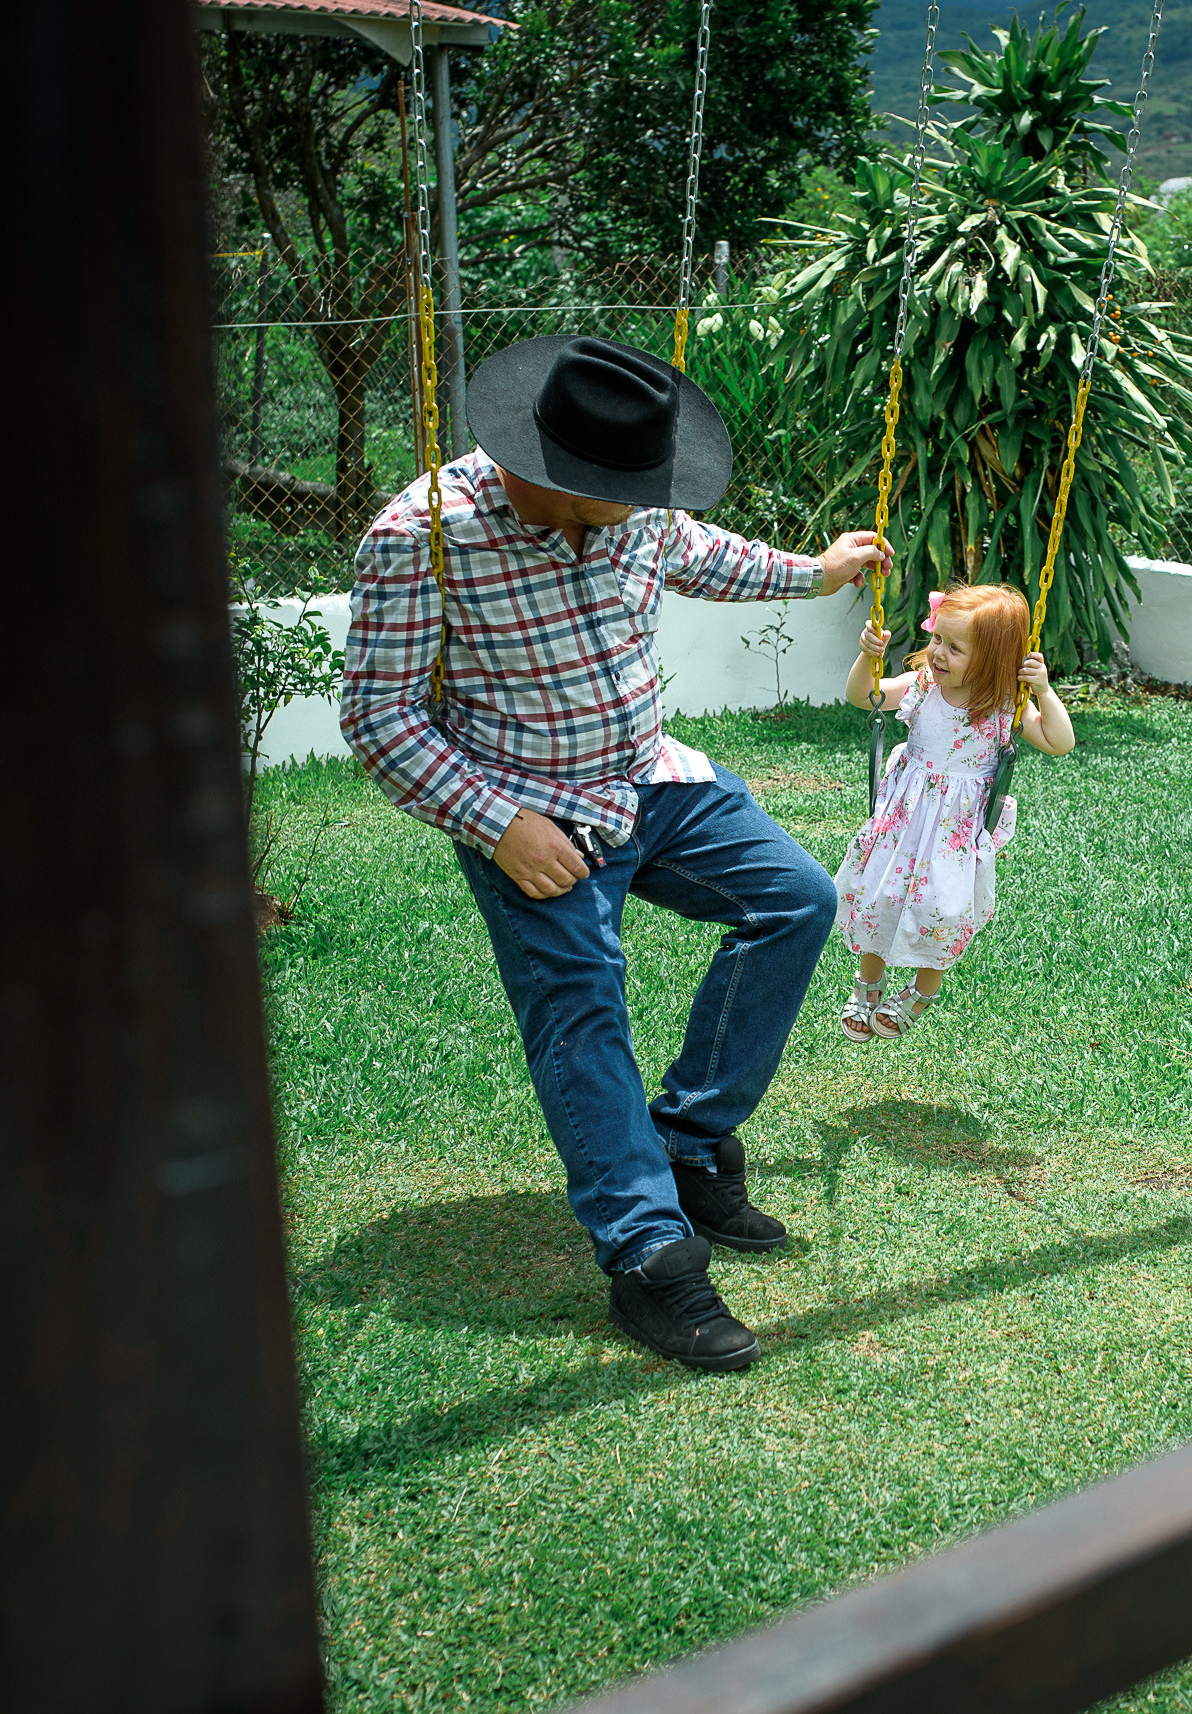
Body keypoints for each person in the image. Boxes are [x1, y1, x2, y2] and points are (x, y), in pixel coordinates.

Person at [339, 334, 885, 1374]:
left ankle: (687, 1141)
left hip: (652, 778)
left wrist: (816, 574)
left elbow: (704, 553)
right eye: (615, 499)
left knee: (796, 899)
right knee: (582, 1004)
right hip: (533, 812)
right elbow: (379, 718)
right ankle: (647, 1254)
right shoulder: (422, 538)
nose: (639, 512)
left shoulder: (634, 502)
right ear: (544, 468)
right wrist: (496, 822)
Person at [831, 583, 1075, 1040]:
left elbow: (1060, 742)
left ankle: (923, 992)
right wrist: (868, 656)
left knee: (941, 908)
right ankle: (868, 981)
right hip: (904, 823)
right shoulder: (924, 686)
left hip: (953, 834)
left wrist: (1042, 690)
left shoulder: (1005, 704)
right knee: (882, 895)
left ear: (993, 660)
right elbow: (863, 695)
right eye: (937, 638)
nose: (938, 653)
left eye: (955, 648)